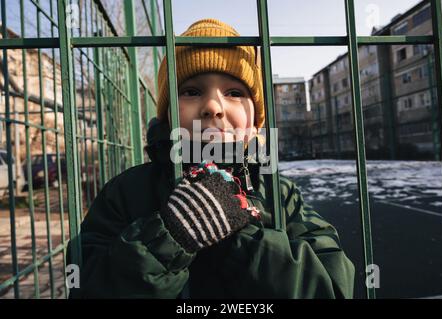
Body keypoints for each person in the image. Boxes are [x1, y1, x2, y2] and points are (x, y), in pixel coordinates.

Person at [68, 18, 355, 299]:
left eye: (234, 93)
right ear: (168, 115)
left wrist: (243, 240)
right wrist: (168, 238)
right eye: (191, 91)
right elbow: (86, 285)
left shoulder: (281, 195)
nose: (213, 106)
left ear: (256, 122)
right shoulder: (127, 191)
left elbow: (332, 287)